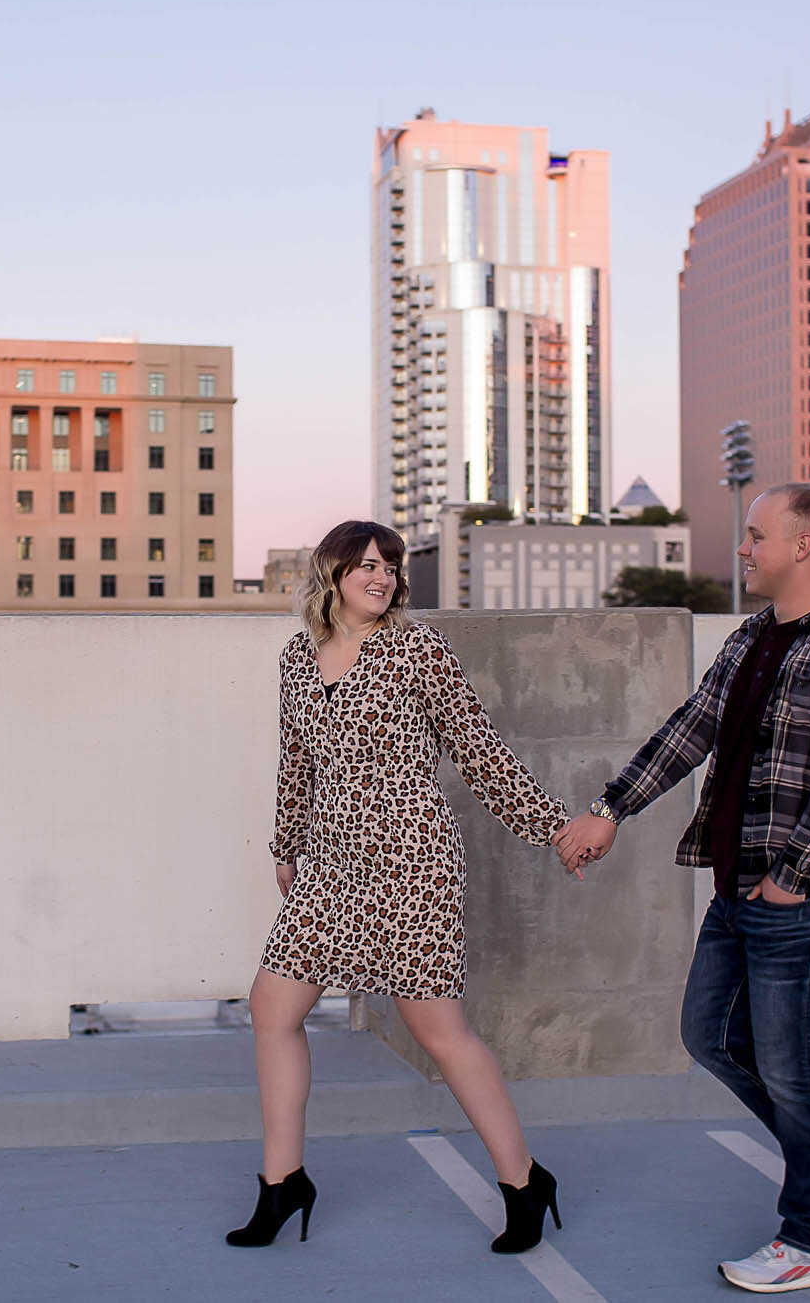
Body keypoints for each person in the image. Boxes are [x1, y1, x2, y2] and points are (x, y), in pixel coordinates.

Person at [552, 483, 810, 1294]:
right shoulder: (752, 637)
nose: (743, 550)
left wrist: (790, 876)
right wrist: (612, 807)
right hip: (738, 888)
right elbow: (690, 730)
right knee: (710, 1035)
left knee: (794, 1066)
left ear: (804, 544)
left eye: (755, 536)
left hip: (808, 898)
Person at [227, 519, 573, 1255]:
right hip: (328, 861)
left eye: (390, 566)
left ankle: (523, 1180)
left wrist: (552, 827)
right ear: (332, 574)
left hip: (410, 858)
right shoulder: (296, 657)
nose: (382, 576)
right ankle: (282, 1181)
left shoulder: (418, 648)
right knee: (272, 1003)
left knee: (437, 1030)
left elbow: (480, 751)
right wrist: (286, 844)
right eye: (367, 564)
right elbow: (297, 759)